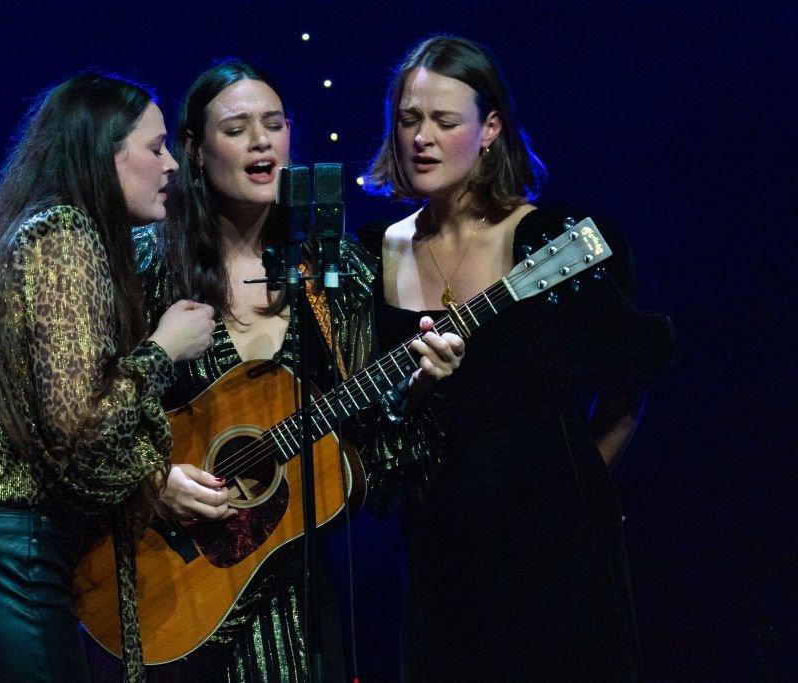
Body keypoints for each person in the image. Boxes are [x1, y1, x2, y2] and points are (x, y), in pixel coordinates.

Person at [127, 60, 464, 681]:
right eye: (237, 128)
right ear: (195, 152)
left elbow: (375, 459)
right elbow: (85, 417)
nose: (262, 141)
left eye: (275, 124)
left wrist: (419, 391)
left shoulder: (337, 278)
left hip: (298, 602)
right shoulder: (146, 265)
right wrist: (151, 479)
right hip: (168, 588)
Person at [0, 72, 216, 682]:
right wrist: (163, 349)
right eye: (155, 146)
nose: (170, 165)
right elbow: (80, 428)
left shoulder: (30, 232)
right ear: (102, 152)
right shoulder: (62, 235)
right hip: (0, 564)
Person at [360, 35, 675, 679]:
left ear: (490, 129)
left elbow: (627, 385)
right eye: (409, 119)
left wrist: (573, 493)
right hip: (438, 549)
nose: (422, 137)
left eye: (445, 122)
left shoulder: (549, 239)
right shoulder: (373, 253)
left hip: (555, 552)